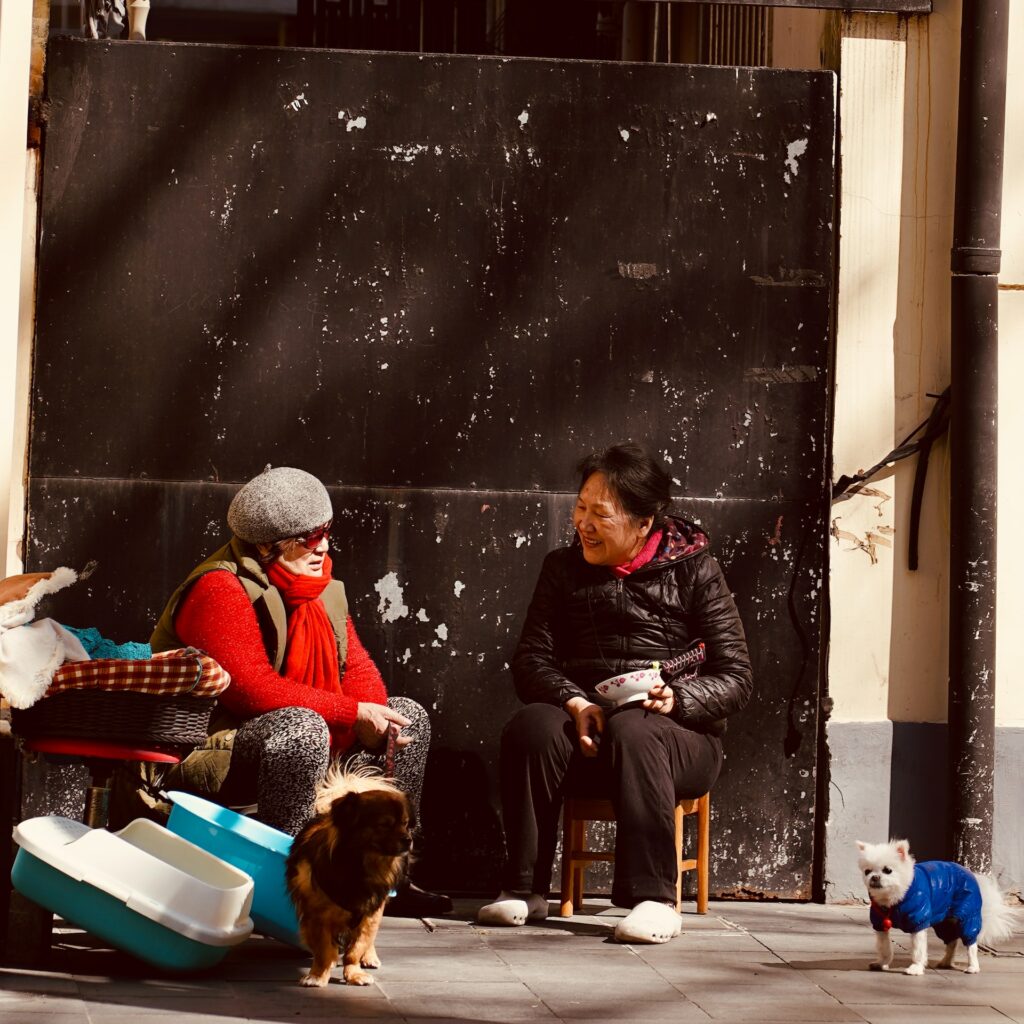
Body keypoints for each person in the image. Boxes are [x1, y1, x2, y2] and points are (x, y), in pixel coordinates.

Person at [477, 442, 752, 943]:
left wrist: (679, 699)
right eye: (580, 508)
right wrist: (575, 702)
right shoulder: (561, 569)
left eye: (600, 514)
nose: (583, 522)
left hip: (675, 740)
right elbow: (530, 660)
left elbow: (736, 677)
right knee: (532, 727)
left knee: (637, 727)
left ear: (644, 523)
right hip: (589, 733)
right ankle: (522, 889)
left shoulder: (695, 569)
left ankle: (653, 900)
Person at [150, 465, 450, 918]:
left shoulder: (318, 584)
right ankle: (287, 883)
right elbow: (251, 690)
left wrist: (373, 721)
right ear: (270, 546)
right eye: (309, 538)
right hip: (212, 743)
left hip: (292, 724)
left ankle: (391, 879)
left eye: (326, 532)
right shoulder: (220, 588)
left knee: (407, 716)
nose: (324, 546)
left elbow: (357, 665)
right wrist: (351, 714)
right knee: (301, 729)